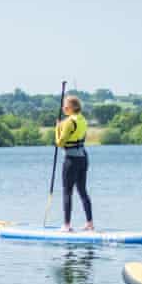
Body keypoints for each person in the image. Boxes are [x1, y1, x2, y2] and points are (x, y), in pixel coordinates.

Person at [55, 95, 94, 232]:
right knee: (82, 191)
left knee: (67, 192)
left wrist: (57, 129)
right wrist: (62, 126)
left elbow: (60, 143)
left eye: (66, 105)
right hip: (83, 157)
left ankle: (66, 225)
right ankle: (90, 223)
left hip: (71, 160)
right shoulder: (83, 119)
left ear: (72, 107)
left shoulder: (68, 122)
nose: (63, 108)